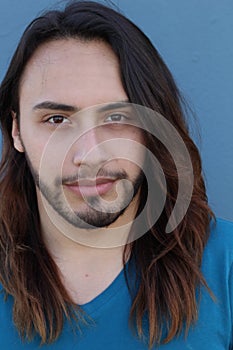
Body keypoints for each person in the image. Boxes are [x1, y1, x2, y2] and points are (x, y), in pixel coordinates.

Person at [0, 1, 232, 349]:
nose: (88, 155)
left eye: (116, 119)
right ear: (16, 131)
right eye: (57, 120)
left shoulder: (225, 264)